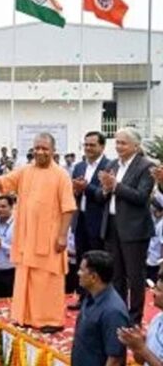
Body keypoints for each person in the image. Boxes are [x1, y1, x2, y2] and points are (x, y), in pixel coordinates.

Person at [0, 132, 76, 333]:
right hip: (27, 238)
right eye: (37, 148)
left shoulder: (61, 175)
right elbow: (1, 183)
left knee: (48, 281)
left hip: (49, 238)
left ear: (53, 151)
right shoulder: (25, 171)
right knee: (26, 279)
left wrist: (62, 236)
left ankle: (50, 320)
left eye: (44, 148)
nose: (40, 152)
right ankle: (26, 317)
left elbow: (68, 208)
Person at [97, 127, 154, 325]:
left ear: (136, 146)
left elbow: (141, 197)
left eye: (123, 143)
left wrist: (116, 186)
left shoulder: (146, 166)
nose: (119, 146)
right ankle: (119, 314)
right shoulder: (112, 164)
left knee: (135, 275)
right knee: (116, 274)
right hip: (111, 225)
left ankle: (135, 317)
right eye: (117, 142)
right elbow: (101, 196)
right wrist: (105, 189)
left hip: (134, 228)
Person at [69, 131, 109, 310]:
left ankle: (99, 300)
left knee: (97, 264)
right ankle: (83, 298)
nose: (88, 148)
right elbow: (74, 193)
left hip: (98, 222)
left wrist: (86, 187)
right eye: (86, 145)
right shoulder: (79, 166)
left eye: (92, 145)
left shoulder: (108, 167)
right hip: (81, 220)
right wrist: (76, 190)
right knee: (82, 261)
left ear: (102, 146)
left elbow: (103, 196)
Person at [72, 250, 129, 366]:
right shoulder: (91, 295)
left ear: (94, 277)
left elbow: (114, 359)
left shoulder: (113, 312)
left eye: (82, 270)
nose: (78, 273)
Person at [118, 265, 163, 366]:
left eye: (158, 291)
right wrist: (137, 346)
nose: (153, 293)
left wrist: (142, 348)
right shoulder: (156, 320)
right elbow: (141, 361)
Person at [147, 196, 163, 284]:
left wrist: (161, 261)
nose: (154, 213)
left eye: (156, 211)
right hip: (150, 258)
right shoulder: (155, 220)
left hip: (156, 262)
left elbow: (162, 244)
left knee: (153, 283)